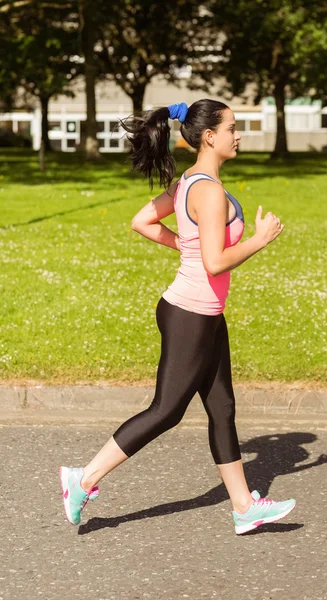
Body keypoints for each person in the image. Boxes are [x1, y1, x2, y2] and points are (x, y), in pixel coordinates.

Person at [59, 98, 296, 535]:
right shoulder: (206, 191)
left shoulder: (191, 182)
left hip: (203, 312)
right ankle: (83, 478)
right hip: (190, 312)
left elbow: (142, 222)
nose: (238, 135)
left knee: (222, 407)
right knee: (166, 410)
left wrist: (184, 246)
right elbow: (215, 262)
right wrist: (260, 239)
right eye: (232, 128)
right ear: (210, 136)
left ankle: (244, 506)